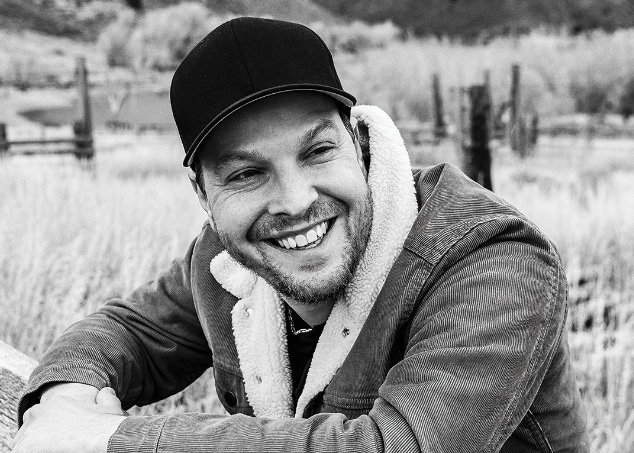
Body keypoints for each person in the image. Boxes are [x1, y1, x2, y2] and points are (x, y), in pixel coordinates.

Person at [13, 17, 589, 453]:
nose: (295, 202)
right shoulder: (224, 258)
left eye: (317, 152)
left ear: (357, 143)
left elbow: (397, 445)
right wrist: (62, 399)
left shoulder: (495, 262)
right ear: (203, 196)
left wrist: (117, 439)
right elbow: (126, 331)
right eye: (246, 174)